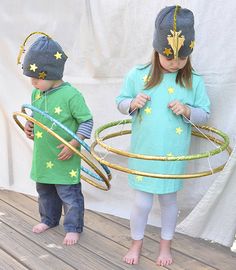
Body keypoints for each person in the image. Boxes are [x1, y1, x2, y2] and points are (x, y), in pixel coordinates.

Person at [116, 5, 210, 267]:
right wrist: (132, 103)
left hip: (172, 158)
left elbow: (205, 113)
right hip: (145, 154)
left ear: (189, 53)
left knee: (169, 202)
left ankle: (166, 245)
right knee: (143, 203)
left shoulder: (194, 81)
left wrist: (188, 110)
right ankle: (136, 243)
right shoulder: (137, 75)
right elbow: (120, 101)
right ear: (156, 49)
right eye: (168, 57)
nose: (174, 63)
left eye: (181, 58)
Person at [21, 34, 93, 245]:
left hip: (64, 158)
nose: (33, 83)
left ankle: (72, 227)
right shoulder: (37, 94)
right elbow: (35, 115)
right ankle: (49, 219)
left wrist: (75, 142)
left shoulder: (72, 96)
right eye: (30, 78)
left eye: (37, 78)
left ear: (52, 72)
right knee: (44, 191)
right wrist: (29, 125)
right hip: (43, 157)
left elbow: (86, 121)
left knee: (69, 195)